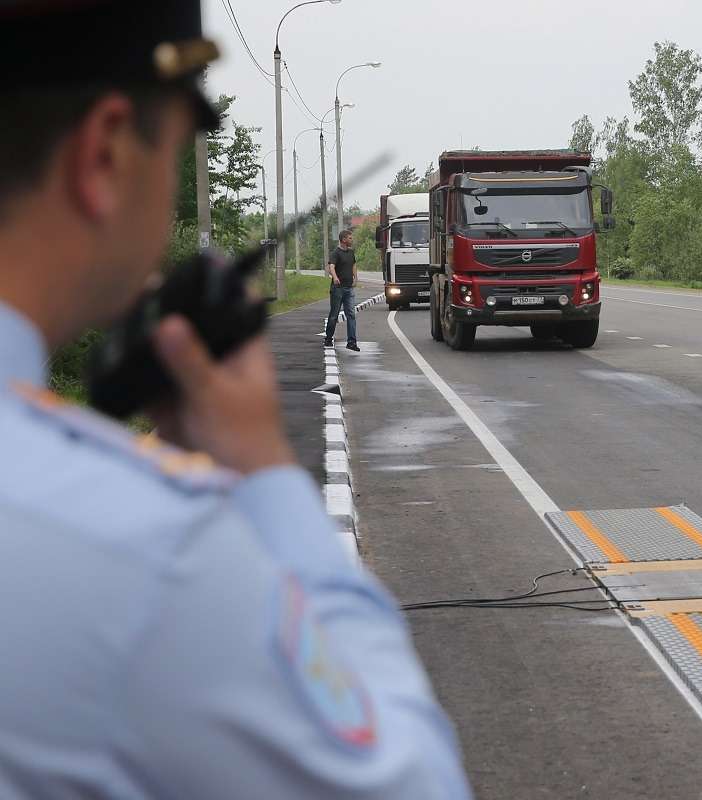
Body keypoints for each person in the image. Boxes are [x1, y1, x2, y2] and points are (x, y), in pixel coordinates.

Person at [0, 2, 471, 798]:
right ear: (106, 152)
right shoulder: (145, 552)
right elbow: (412, 782)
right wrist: (263, 473)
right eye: (176, 148)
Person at [325, 229, 360, 350]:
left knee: (351, 314)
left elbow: (354, 264)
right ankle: (328, 338)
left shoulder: (351, 252)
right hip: (337, 289)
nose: (352, 240)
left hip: (349, 289)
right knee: (334, 315)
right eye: (350, 238)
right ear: (344, 239)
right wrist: (335, 277)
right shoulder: (336, 253)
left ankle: (352, 342)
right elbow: (331, 267)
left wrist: (355, 277)